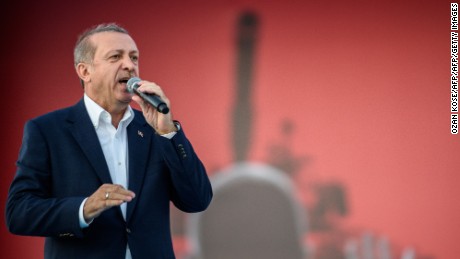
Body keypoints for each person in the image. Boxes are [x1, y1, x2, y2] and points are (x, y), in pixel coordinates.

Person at [5, 23, 213, 259]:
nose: (129, 65)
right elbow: (19, 213)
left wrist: (168, 133)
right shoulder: (48, 130)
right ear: (85, 71)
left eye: (134, 58)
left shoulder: (155, 129)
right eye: (116, 56)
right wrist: (85, 208)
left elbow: (198, 199)